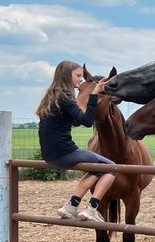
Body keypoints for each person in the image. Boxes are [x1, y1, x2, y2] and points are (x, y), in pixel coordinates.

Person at [35, 61, 116, 223]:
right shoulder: (65, 98)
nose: (81, 79)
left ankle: (72, 205)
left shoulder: (52, 97)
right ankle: (92, 209)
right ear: (67, 76)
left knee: (96, 169)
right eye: (78, 76)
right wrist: (94, 95)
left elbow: (73, 121)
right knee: (111, 167)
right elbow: (86, 121)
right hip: (65, 153)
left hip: (49, 155)